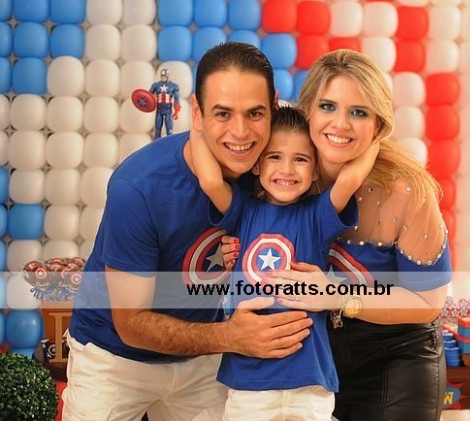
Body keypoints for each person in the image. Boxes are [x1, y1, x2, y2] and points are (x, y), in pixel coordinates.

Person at [63, 43, 313, 421]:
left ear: (274, 107)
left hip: (203, 357)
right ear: (197, 112)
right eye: (223, 113)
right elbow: (131, 324)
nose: (241, 132)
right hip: (115, 358)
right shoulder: (140, 187)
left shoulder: (275, 174)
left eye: (255, 113)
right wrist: (232, 337)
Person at [223, 49, 452, 420]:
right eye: (327, 106)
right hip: (309, 361)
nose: (340, 124)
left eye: (359, 112)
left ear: (378, 125)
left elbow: (428, 301)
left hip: (395, 358)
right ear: (307, 111)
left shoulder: (406, 191)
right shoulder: (280, 171)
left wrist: (334, 294)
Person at [190, 105, 378, 420]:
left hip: (309, 379)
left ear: (315, 169)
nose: (287, 169)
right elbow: (210, 181)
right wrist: (198, 122)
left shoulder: (316, 216)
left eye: (300, 159)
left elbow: (351, 178)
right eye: (275, 156)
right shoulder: (243, 211)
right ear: (256, 164)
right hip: (250, 381)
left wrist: (379, 130)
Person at [150, 68, 181, 139]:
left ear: (167, 76)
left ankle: (169, 143)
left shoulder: (173, 86)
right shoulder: (156, 85)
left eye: (164, 76)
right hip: (159, 109)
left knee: (169, 130)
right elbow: (148, 96)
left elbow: (177, 99)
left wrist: (176, 111)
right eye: (162, 76)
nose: (163, 77)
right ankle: (157, 143)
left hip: (168, 110)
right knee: (157, 130)